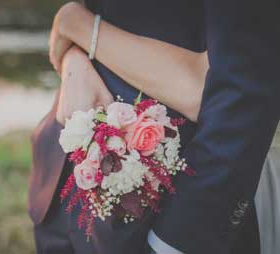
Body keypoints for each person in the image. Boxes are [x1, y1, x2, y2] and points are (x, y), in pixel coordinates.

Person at [29, 1, 280, 253]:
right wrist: (74, 53)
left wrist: (177, 242)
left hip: (166, 207)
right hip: (60, 179)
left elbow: (240, 83)